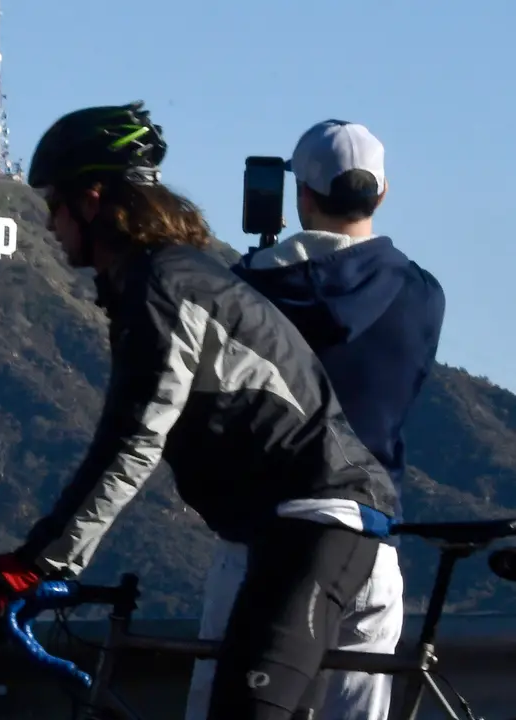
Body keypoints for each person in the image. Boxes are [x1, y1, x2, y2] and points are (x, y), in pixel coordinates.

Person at [0, 102, 400, 720]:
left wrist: (37, 564)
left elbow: (133, 440)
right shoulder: (180, 276)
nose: (49, 224)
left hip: (316, 526)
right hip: (319, 530)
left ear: (90, 201)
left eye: (52, 204)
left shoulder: (161, 286)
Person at [184, 120, 447, 720]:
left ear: (300, 194)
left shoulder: (247, 293)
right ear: (380, 193)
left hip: (265, 539)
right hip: (371, 542)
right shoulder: (423, 294)